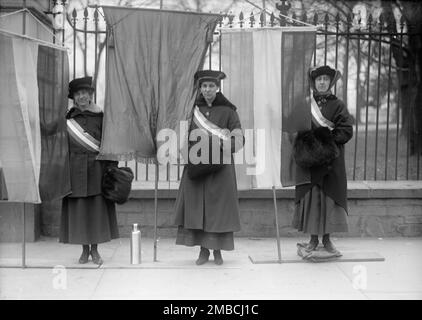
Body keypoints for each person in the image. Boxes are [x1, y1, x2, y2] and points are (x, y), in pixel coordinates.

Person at [174, 70, 244, 265]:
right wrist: (190, 156)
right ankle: (203, 251)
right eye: (204, 86)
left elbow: (238, 140)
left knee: (218, 211)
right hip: (197, 167)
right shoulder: (191, 110)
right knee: (199, 209)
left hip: (221, 168)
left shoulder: (229, 112)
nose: (207, 90)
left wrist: (218, 145)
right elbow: (182, 137)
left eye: (211, 86)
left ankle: (218, 251)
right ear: (200, 88)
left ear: (217, 87)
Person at [292, 65, 354, 254]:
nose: (322, 82)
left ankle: (327, 240)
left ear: (330, 82)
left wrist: (325, 141)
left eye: (325, 79)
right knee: (312, 199)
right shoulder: (303, 104)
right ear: (314, 82)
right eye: (319, 79)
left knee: (328, 198)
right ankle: (312, 239)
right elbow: (294, 126)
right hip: (310, 161)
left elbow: (346, 130)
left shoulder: (338, 105)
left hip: (330, 162)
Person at [59, 76, 119, 265]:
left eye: (85, 93)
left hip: (97, 169)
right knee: (80, 212)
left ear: (91, 95)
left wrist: (111, 169)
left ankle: (95, 250)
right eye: (78, 94)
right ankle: (84, 251)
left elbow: (109, 144)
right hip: (74, 169)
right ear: (74, 98)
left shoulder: (101, 116)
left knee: (95, 211)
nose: (82, 96)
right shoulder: (68, 118)